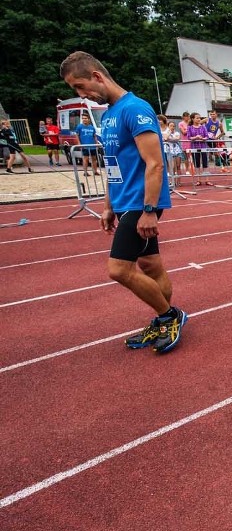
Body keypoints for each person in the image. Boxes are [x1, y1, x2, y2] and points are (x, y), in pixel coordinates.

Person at [60, 50, 187, 354]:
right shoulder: (110, 115)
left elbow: (155, 164)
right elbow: (113, 165)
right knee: (150, 264)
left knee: (118, 270)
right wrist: (107, 205)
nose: (82, 95)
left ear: (97, 76)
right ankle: (162, 318)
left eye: (80, 87)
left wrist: (149, 211)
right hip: (124, 201)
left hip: (141, 203)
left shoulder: (136, 109)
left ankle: (170, 316)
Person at [187, 112, 209, 181]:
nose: (199, 119)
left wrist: (203, 138)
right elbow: (189, 137)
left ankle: (206, 179)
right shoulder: (190, 128)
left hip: (203, 147)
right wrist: (195, 137)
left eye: (199, 118)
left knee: (205, 163)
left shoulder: (203, 127)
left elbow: (207, 136)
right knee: (197, 163)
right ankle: (198, 180)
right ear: (192, 119)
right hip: (194, 147)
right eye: (197, 118)